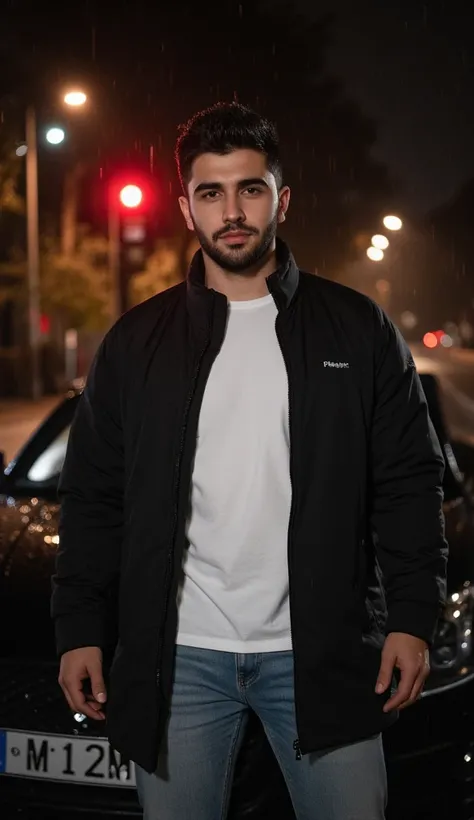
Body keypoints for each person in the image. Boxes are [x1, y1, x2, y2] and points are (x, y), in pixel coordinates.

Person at [52, 102, 448, 820]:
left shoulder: (356, 329)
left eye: (251, 189)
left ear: (282, 199)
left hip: (321, 655)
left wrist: (412, 617)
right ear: (186, 208)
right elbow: (94, 495)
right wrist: (79, 627)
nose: (232, 211)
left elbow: (408, 482)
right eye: (211, 192)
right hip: (182, 662)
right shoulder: (138, 343)